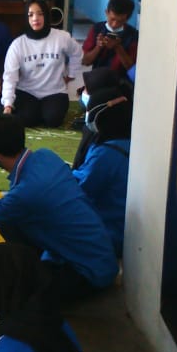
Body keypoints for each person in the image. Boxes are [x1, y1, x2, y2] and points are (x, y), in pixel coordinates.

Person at [0, 114, 117, 304]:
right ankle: (41, 265)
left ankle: (44, 273)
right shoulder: (47, 156)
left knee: (15, 296)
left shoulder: (24, 194)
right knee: (8, 222)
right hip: (103, 255)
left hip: (89, 273)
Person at [0, 0, 82, 128]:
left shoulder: (61, 37)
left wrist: (71, 75)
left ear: (46, 15)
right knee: (27, 120)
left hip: (54, 91)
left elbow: (77, 52)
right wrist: (8, 105)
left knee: (53, 120)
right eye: (31, 14)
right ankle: (35, 111)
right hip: (27, 91)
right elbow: (10, 77)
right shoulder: (18, 44)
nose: (35, 18)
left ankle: (43, 111)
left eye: (40, 14)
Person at [72, 87, 132, 258]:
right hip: (124, 229)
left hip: (108, 233)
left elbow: (81, 190)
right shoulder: (129, 143)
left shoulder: (106, 154)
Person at [80, 0, 139, 76]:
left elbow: (133, 70)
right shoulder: (97, 29)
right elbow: (85, 61)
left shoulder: (133, 35)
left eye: (120, 21)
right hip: (97, 80)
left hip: (121, 82)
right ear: (106, 13)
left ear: (127, 18)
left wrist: (118, 47)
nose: (114, 24)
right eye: (112, 19)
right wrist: (98, 47)